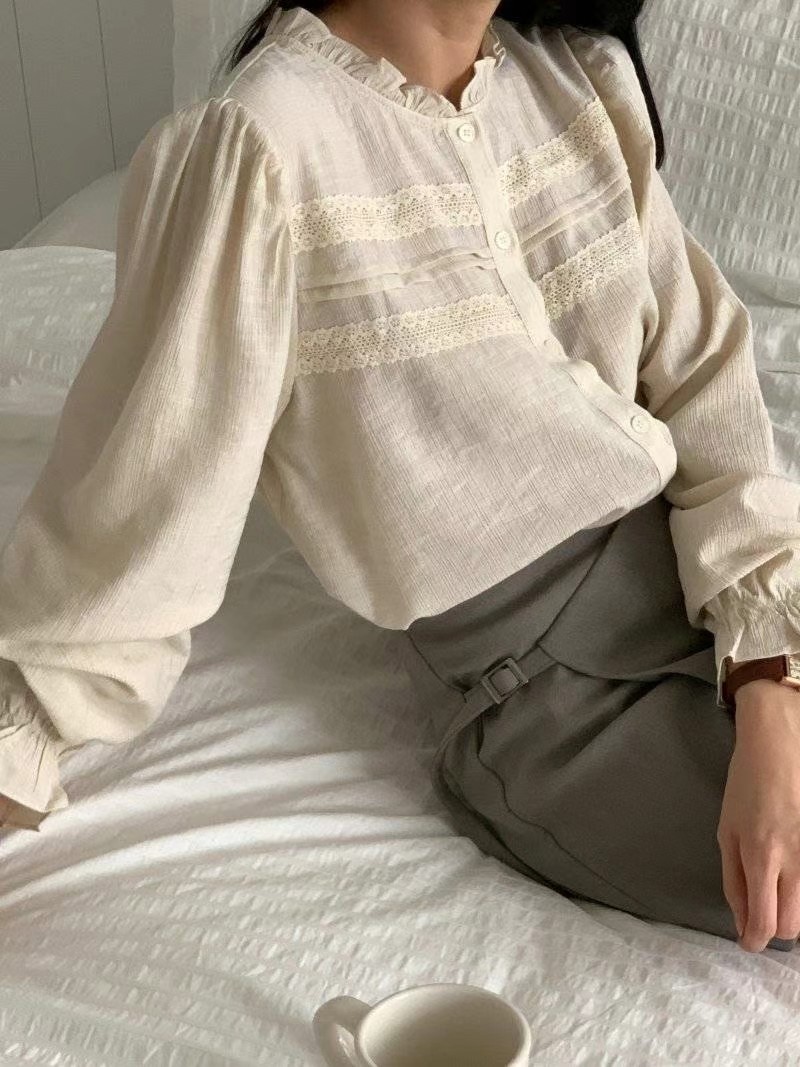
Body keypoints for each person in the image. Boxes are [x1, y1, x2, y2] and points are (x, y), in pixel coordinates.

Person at [1, 0, 798, 956]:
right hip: (556, 694)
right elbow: (141, 510)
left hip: (722, 567)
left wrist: (770, 680)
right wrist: (21, 744)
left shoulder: (577, 76)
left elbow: (706, 385)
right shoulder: (265, 147)